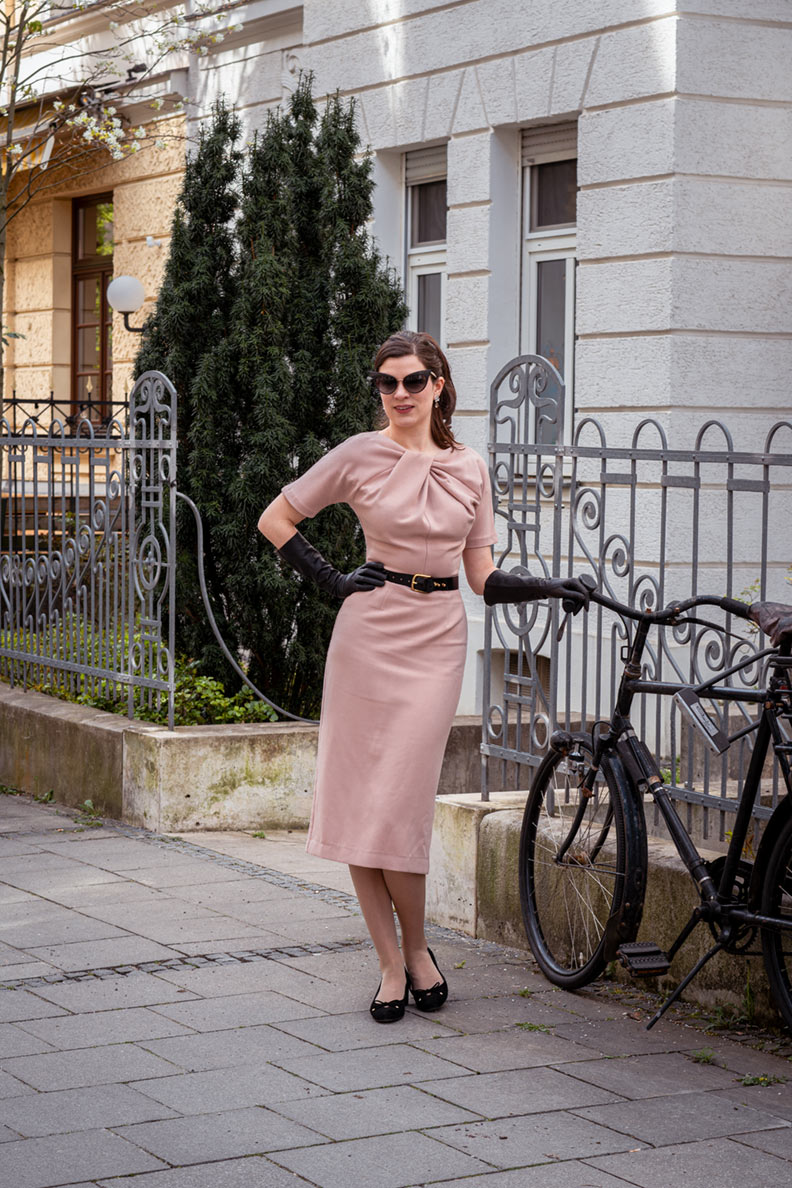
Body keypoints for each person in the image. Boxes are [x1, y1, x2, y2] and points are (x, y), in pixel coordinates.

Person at [257, 330, 588, 1022]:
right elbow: (276, 517)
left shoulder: (470, 467)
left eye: (413, 381)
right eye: (387, 382)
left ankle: (418, 949)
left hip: (438, 638)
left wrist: (551, 587)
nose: (400, 394)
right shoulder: (359, 453)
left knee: (402, 802)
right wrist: (335, 581)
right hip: (368, 634)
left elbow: (481, 576)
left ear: (439, 384)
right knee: (360, 803)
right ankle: (391, 961)